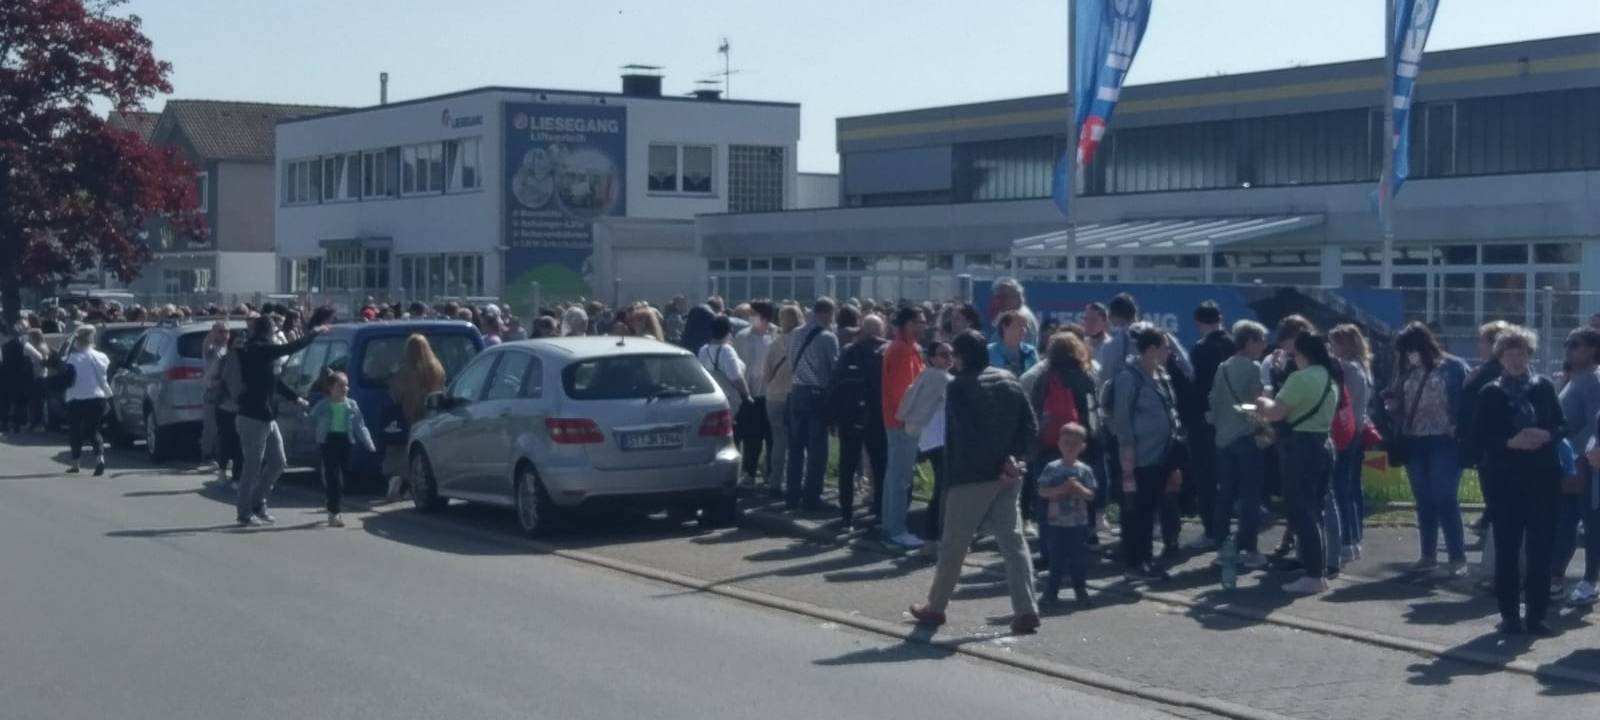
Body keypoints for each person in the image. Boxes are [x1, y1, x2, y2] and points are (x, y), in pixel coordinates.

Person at [909, 330, 1041, 635]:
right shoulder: (1009, 379)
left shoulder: (959, 388)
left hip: (971, 476)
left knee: (954, 544)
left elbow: (966, 435)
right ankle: (1026, 609)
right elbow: (1030, 425)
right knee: (1013, 542)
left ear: (962, 356)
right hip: (1010, 474)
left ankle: (936, 607)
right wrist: (1017, 461)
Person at [1475, 327, 1564, 635]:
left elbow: (1560, 422)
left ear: (1529, 355)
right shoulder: (1491, 392)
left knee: (1540, 551)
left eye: (1521, 353)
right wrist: (1509, 443)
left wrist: (1548, 434)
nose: (1515, 359)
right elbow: (1479, 437)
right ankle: (1509, 615)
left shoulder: (1543, 387)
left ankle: (1537, 615)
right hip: (1504, 480)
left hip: (1542, 477)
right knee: (1508, 549)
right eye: (1509, 354)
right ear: (1500, 358)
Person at [1256, 332, 1343, 595]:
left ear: (1303, 354)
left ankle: (1314, 574)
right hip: (1323, 444)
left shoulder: (1300, 378)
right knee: (1316, 510)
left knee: (1301, 511)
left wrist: (1261, 400)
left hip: (1299, 448)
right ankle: (1319, 569)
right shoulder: (1331, 379)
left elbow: (1275, 412)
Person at [1386, 321, 1472, 577]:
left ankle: (1457, 557)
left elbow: (1466, 400)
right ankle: (1428, 555)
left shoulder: (1453, 367)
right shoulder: (1405, 370)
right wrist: (1393, 404)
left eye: (1411, 349)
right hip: (1414, 439)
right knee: (1424, 500)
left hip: (1445, 439)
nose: (1408, 355)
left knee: (1444, 497)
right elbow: (1398, 397)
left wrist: (1461, 427)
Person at [234, 316, 325, 526]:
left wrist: (296, 398)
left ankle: (258, 502)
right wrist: (314, 333)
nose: (276, 333)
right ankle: (244, 512)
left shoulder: (263, 353)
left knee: (278, 461)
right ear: (266, 331)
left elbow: (275, 383)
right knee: (253, 465)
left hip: (267, 416)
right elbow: (292, 347)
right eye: (274, 329)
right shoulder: (257, 349)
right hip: (251, 417)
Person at [1113, 325, 1186, 582]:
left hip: (1162, 456)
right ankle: (1135, 563)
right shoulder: (1129, 378)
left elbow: (1172, 410)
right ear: (1152, 349)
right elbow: (1122, 419)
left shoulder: (1162, 375)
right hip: (1139, 457)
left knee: (1152, 509)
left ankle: (1147, 560)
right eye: (1166, 347)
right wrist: (1127, 457)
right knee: (1137, 512)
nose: (1169, 352)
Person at [1020, 332, 1101, 541]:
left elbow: (1034, 412)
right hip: (1078, 444)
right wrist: (1093, 440)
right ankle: (1087, 536)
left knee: (1048, 495)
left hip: (1049, 444)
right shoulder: (1086, 377)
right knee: (1081, 492)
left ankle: (1049, 545)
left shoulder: (1044, 378)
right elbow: (1093, 413)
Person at [1206, 320, 1270, 567]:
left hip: (1223, 438)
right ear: (1251, 341)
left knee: (1226, 494)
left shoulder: (1223, 367)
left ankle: (1222, 546)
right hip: (1246, 437)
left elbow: (1213, 400)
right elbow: (1257, 403)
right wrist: (1263, 425)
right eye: (1261, 340)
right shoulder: (1253, 368)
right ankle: (1249, 549)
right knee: (1250, 496)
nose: (1264, 345)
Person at [1553, 327, 1600, 605]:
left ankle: (1589, 581)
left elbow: (1595, 424)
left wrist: (1572, 448)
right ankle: (1555, 578)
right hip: (1569, 464)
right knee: (1565, 523)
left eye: (1576, 344)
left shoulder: (1594, 379)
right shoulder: (1575, 379)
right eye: (1567, 343)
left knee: (1592, 524)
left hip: (1588, 466)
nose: (1568, 349)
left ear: (1593, 349)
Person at [1184, 301, 1235, 547]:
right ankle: (1229, 529)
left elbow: (1195, 385)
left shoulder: (1200, 348)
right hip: (1234, 419)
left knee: (1206, 477)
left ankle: (1212, 530)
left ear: (1198, 323)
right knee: (1230, 477)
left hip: (1204, 420)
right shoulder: (1234, 344)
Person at [832, 314, 889, 524]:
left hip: (851, 416)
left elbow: (836, 384)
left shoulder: (849, 351)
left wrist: (836, 416)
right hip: (878, 415)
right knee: (880, 464)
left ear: (862, 330)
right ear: (881, 331)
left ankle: (846, 512)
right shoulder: (887, 352)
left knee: (847, 466)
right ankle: (880, 509)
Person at [785, 298, 840, 511]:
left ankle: (792, 494)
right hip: (817, 394)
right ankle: (811, 497)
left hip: (797, 391)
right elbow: (833, 369)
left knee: (796, 448)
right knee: (817, 449)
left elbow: (791, 360)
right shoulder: (828, 337)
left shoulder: (795, 334)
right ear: (826, 313)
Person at [880, 306, 928, 549]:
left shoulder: (909, 349)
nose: (924, 325)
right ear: (908, 324)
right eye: (920, 321)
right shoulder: (901, 350)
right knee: (900, 478)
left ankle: (890, 526)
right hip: (903, 422)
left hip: (900, 421)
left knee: (895, 476)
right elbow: (903, 392)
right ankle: (896, 530)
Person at [1037, 422, 1097, 608]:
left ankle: (1081, 591)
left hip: (1078, 523)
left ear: (1082, 446)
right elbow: (1042, 491)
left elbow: (1091, 494)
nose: (1070, 447)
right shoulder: (1052, 468)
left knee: (1078, 560)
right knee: (1056, 561)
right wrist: (1060, 488)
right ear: (1059, 444)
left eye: (1075, 443)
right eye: (1066, 443)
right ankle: (1051, 593)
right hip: (1056, 523)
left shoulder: (1084, 470)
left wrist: (1078, 488)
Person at [899, 340, 953, 544]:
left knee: (928, 484)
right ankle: (934, 533)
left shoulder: (923, 375)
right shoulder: (944, 379)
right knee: (942, 487)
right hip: (938, 439)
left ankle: (925, 529)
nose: (949, 358)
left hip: (921, 436)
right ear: (931, 358)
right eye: (943, 354)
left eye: (950, 354)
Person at [1328, 324, 1374, 562]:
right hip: (1357, 429)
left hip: (1344, 431)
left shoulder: (1346, 368)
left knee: (1340, 487)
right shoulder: (1363, 368)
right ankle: (1354, 537)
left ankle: (1346, 539)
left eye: (1334, 343)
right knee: (1351, 486)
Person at [308, 371, 376, 528]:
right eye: (340, 386)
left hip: (346, 441)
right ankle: (334, 512)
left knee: (343, 476)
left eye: (346, 385)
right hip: (328, 441)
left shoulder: (351, 405)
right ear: (330, 388)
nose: (344, 389)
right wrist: (316, 431)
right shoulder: (323, 405)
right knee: (333, 477)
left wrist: (369, 443)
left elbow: (360, 426)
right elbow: (310, 420)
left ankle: (333, 502)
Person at [389, 334, 448, 501]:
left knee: (411, 450)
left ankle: (405, 484)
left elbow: (395, 396)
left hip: (412, 415)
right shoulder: (437, 368)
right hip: (433, 413)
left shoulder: (405, 371)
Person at [761, 304, 804, 496]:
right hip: (795, 395)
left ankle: (775, 482)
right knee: (798, 442)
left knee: (778, 441)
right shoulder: (803, 342)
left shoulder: (774, 344)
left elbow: (767, 374)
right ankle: (797, 481)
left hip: (774, 396)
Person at [732, 301, 776, 488]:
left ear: (764, 317)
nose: (751, 318)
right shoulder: (742, 337)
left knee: (772, 436)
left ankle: (771, 472)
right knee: (752, 437)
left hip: (771, 393)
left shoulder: (775, 336)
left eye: (754, 314)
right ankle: (749, 472)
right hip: (750, 394)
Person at [62, 326, 112, 475]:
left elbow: (68, 380)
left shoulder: (73, 358)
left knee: (75, 431)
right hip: (97, 398)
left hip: (76, 399)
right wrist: (108, 396)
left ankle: (76, 463)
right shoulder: (101, 357)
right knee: (94, 431)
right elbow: (103, 379)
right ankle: (100, 459)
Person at [698, 315, 750, 422]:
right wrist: (746, 395)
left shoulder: (703, 350)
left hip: (712, 398)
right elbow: (736, 377)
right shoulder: (727, 350)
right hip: (729, 400)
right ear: (728, 331)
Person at [988, 277, 1040, 347]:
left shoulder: (1021, 318)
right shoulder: (1008, 315)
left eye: (1003, 297)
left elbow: (1018, 351)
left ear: (1017, 297)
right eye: (997, 297)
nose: (999, 301)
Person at [987, 311, 1039, 378]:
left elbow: (1037, 378)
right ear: (1005, 327)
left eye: (1025, 327)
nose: (1023, 330)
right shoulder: (989, 352)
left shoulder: (1030, 352)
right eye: (1019, 325)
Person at [23, 328, 48, 431]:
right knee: (39, 401)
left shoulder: (38, 348)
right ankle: (39, 422)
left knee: (35, 401)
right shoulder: (44, 347)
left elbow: (39, 361)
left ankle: (35, 423)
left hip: (38, 376)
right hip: (42, 376)